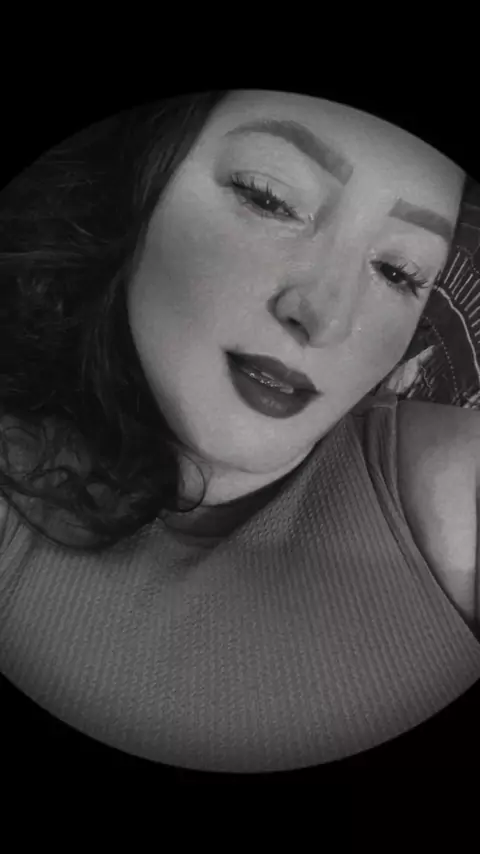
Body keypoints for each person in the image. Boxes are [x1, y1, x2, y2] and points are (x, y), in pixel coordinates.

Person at [0, 89, 479, 774]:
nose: (325, 317)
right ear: (138, 179)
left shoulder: (446, 486)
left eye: (398, 272)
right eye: (269, 198)